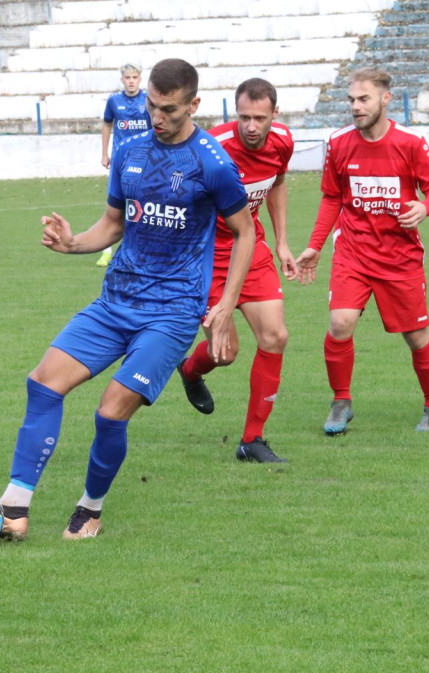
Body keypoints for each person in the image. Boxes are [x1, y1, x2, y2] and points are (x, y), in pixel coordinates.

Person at [0, 58, 256, 541]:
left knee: (110, 410)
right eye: (153, 108)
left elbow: (245, 232)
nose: (157, 118)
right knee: (43, 384)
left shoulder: (213, 164)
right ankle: (14, 506)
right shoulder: (130, 151)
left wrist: (224, 304)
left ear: (193, 105)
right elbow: (114, 225)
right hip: (116, 300)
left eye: (169, 110)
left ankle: (90, 507)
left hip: (173, 312)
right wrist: (73, 243)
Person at [294, 67, 429, 435]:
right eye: (351, 100)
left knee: (416, 336)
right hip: (354, 252)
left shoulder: (411, 142)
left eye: (363, 99)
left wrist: (424, 208)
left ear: (385, 98)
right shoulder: (339, 142)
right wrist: (315, 246)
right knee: (340, 323)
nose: (356, 107)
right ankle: (341, 402)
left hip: (400, 256)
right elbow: (332, 197)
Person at [176, 78, 298, 463]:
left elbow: (277, 183)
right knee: (225, 353)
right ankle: (191, 370)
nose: (250, 126)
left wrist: (281, 243)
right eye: (244, 116)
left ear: (274, 115)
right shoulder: (211, 148)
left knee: (276, 336)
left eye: (259, 118)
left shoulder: (283, 142)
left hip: (253, 251)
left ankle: (252, 440)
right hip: (208, 259)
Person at [98, 63, 152, 266]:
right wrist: (105, 153)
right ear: (122, 80)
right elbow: (106, 124)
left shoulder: (147, 101)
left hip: (143, 159)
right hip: (120, 161)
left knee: (143, 202)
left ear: (140, 79)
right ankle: (106, 251)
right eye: (127, 77)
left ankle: (141, 246)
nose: (131, 81)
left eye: (134, 77)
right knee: (114, 203)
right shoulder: (114, 101)